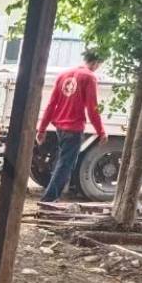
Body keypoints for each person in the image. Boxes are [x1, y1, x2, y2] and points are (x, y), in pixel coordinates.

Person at [35, 51, 107, 203]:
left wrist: (42, 129)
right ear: (96, 63)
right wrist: (101, 131)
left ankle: (52, 196)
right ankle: (49, 199)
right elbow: (92, 108)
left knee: (63, 162)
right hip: (74, 128)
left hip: (60, 127)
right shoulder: (89, 77)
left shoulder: (63, 75)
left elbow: (51, 105)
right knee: (66, 165)